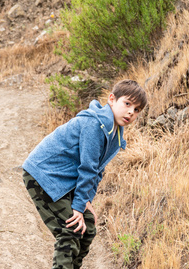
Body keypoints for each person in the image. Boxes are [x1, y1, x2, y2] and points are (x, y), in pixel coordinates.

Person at [22, 79, 147, 269]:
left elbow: (97, 171)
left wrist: (85, 202)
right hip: (44, 174)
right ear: (112, 99)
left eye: (137, 109)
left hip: (63, 178)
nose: (131, 112)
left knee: (87, 228)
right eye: (127, 104)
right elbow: (87, 168)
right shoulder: (94, 125)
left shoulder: (115, 132)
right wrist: (78, 208)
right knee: (71, 230)